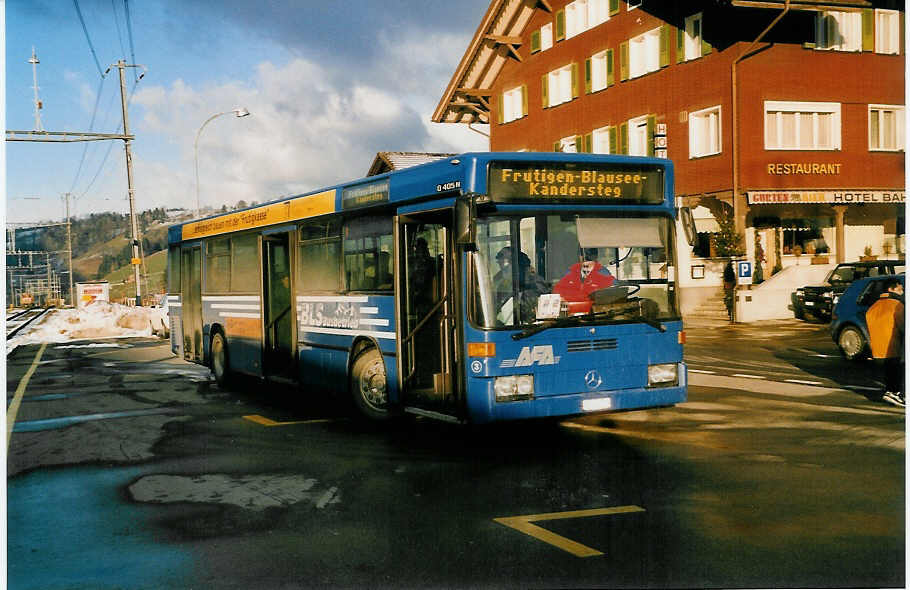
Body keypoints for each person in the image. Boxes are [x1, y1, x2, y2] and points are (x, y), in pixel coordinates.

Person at [866, 279, 904, 407]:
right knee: (895, 372)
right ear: (891, 289)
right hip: (893, 346)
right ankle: (893, 393)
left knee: (889, 372)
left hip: (878, 349)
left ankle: (891, 392)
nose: (902, 292)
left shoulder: (873, 306)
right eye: (900, 289)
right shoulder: (896, 305)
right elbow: (903, 326)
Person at [494, 246, 549, 323]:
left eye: (505, 268)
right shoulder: (501, 282)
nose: (502, 272)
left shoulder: (535, 283)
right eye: (500, 267)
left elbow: (533, 312)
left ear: (518, 266)